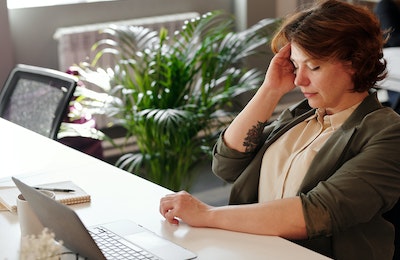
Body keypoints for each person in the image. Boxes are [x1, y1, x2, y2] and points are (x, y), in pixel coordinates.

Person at [159, 0, 400, 259]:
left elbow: (319, 212)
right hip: (253, 250)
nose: (299, 80)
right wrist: (269, 90)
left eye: (314, 66)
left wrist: (206, 215)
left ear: (355, 61)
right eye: (296, 66)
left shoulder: (387, 133)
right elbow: (227, 165)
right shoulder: (300, 116)